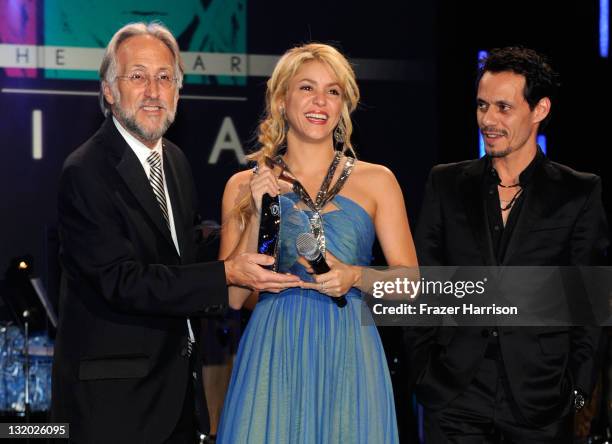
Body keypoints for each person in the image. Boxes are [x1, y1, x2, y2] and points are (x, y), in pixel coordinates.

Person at [50, 22, 301, 444]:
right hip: (113, 409)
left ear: (178, 91)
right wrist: (227, 273)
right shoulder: (85, 171)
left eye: (165, 77)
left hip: (177, 398)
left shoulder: (176, 163)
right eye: (138, 76)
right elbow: (123, 280)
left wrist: (250, 217)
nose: (153, 90)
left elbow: (182, 256)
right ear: (109, 91)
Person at [215, 43, 418, 443]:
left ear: (343, 104)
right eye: (307, 88)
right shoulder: (243, 185)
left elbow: (410, 285)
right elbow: (235, 299)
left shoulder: (377, 181)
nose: (320, 102)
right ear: (281, 99)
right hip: (274, 350)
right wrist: (259, 210)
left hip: (350, 349)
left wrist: (355, 276)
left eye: (333, 91)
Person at [408, 47, 609, 443]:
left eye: (503, 107)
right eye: (483, 106)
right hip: (454, 394)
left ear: (540, 109)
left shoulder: (578, 192)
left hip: (540, 397)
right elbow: (422, 284)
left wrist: (576, 389)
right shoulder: (445, 183)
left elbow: (591, 300)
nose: (488, 120)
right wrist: (423, 371)